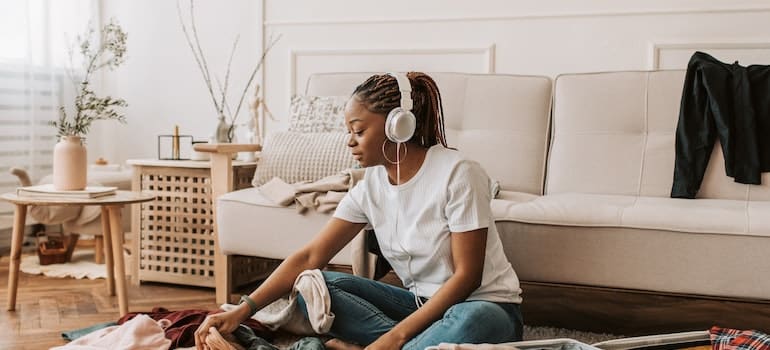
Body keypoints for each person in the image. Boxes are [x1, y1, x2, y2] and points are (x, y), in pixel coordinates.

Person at [194, 72, 523, 350]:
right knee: (316, 287)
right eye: (348, 132)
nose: (349, 142)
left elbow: (467, 277)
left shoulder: (458, 172)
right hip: (419, 306)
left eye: (359, 130)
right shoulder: (370, 186)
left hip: (484, 307)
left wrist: (395, 337)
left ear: (398, 125)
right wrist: (242, 310)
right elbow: (309, 257)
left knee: (473, 323)